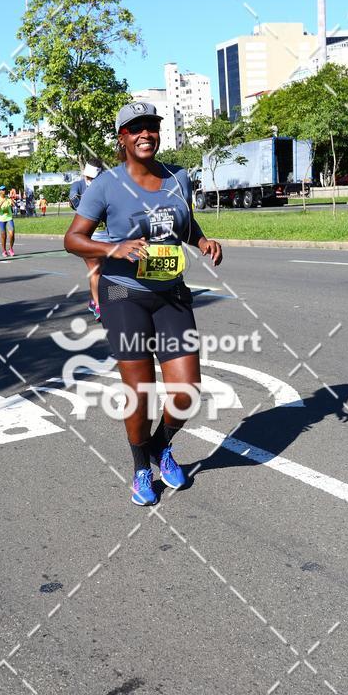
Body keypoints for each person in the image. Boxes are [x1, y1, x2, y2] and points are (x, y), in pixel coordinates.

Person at [64, 101, 222, 506]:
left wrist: (202, 240)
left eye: (151, 126)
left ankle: (160, 446)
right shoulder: (106, 185)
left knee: (186, 392)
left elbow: (185, 224)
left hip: (171, 292)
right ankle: (140, 470)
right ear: (122, 138)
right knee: (142, 392)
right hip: (122, 294)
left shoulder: (178, 177)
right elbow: (73, 238)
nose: (145, 134)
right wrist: (114, 248)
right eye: (135, 129)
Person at [69, 163, 104, 320]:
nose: (90, 180)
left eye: (93, 178)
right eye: (88, 177)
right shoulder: (78, 185)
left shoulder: (106, 183)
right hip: (88, 235)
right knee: (95, 271)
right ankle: (98, 306)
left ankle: (99, 300)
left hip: (109, 235)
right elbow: (73, 198)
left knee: (110, 272)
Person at [0, 185, 15, 257]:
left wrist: (12, 202)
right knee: (3, 236)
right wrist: (2, 202)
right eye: (2, 190)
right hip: (1, 219)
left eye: (5, 190)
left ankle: (10, 249)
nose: (4, 191)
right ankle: (4, 250)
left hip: (9, 218)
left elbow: (14, 205)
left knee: (12, 234)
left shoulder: (8, 198)